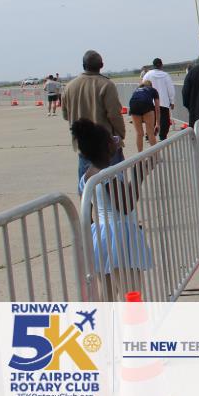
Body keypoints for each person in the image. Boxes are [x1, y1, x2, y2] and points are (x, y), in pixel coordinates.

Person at [71, 118, 152, 300]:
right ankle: (134, 320)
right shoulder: (107, 175)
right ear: (106, 147)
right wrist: (139, 175)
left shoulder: (86, 177)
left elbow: (88, 212)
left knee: (107, 294)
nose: (116, 141)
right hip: (119, 237)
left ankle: (104, 319)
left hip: (100, 236)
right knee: (131, 291)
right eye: (112, 139)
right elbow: (126, 205)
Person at [61, 50, 126, 194]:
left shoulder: (69, 86)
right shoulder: (106, 84)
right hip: (106, 146)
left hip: (84, 146)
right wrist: (121, 134)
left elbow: (65, 115)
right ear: (101, 65)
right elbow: (114, 114)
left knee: (86, 189)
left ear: (83, 65)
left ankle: (87, 209)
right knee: (117, 191)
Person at [142, 58, 176, 140]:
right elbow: (170, 89)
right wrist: (172, 101)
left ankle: (149, 134)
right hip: (163, 102)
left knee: (151, 119)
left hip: (151, 102)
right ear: (161, 65)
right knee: (164, 120)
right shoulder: (165, 75)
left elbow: (143, 87)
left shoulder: (148, 75)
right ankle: (162, 136)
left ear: (153, 65)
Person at [128, 79, 160, 153]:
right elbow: (157, 108)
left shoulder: (136, 90)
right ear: (150, 85)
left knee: (139, 133)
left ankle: (140, 156)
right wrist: (158, 123)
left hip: (133, 105)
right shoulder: (153, 90)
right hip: (146, 104)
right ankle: (155, 155)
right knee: (150, 133)